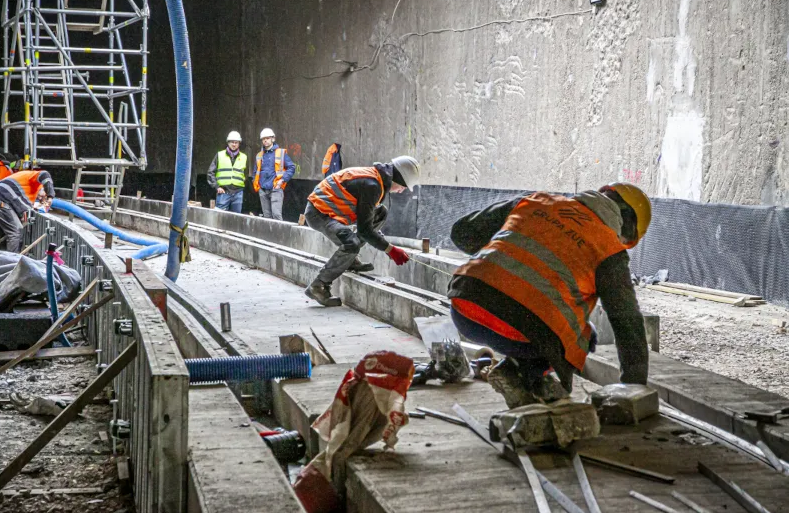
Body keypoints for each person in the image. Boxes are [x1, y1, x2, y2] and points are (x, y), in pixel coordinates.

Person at [447, 183, 653, 408]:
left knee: (560, 325)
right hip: (524, 335)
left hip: (464, 310)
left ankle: (527, 376)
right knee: (584, 335)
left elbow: (462, 233)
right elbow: (627, 322)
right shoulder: (610, 249)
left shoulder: (535, 201)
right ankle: (522, 371)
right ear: (627, 232)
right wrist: (635, 389)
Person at [304, 155, 421, 307]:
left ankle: (350, 259)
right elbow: (365, 230)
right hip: (319, 213)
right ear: (398, 178)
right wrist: (390, 249)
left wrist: (382, 242)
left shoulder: (376, 180)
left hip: (333, 211)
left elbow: (367, 222)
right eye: (403, 186)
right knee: (351, 243)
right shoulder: (372, 185)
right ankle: (318, 286)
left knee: (381, 213)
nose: (402, 191)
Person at [0, 169, 55, 253]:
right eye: (43, 196)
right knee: (15, 232)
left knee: (5, 233)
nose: (41, 198)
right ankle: (12, 262)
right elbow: (45, 174)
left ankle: (2, 260)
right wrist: (50, 196)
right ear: (42, 187)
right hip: (0, 199)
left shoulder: (26, 189)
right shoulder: (34, 179)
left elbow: (19, 205)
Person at [252, 128, 295, 220]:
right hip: (263, 190)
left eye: (267, 138)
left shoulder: (280, 153)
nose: (265, 140)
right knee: (267, 217)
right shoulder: (259, 155)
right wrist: (258, 186)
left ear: (273, 139)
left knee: (276, 215)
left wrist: (282, 181)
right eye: (263, 139)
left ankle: (280, 234)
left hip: (276, 189)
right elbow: (255, 172)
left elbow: (291, 167)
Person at [207, 130, 247, 213]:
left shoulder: (244, 157)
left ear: (239, 143)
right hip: (223, 192)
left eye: (236, 142)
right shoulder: (220, 155)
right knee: (220, 218)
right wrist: (217, 187)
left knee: (236, 219)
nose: (234, 144)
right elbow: (210, 172)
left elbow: (245, 174)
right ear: (228, 143)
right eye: (232, 142)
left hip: (238, 193)